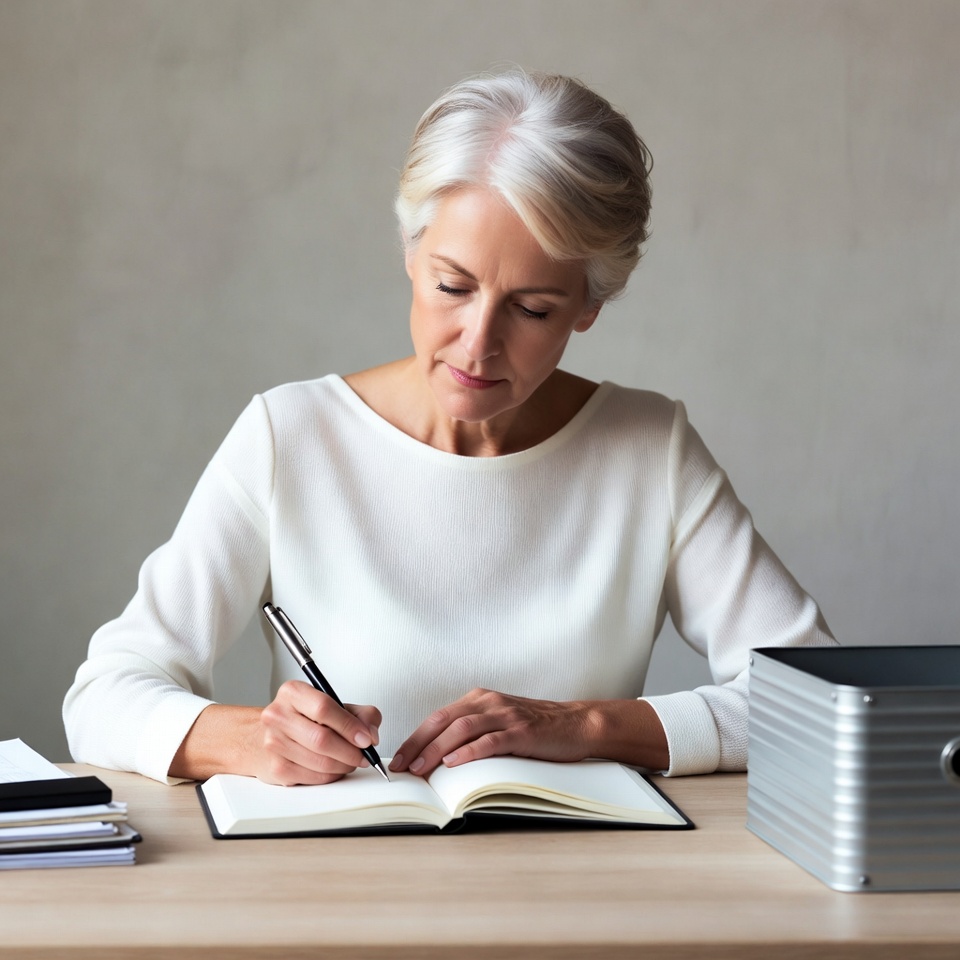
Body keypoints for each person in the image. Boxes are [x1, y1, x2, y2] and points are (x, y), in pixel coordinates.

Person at [63, 69, 835, 787]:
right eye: (451, 285)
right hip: (338, 902)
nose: (477, 343)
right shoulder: (290, 436)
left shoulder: (648, 448)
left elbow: (826, 703)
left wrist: (589, 725)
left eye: (533, 310)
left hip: (584, 900)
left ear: (590, 307)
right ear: (409, 251)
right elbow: (102, 697)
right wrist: (247, 737)